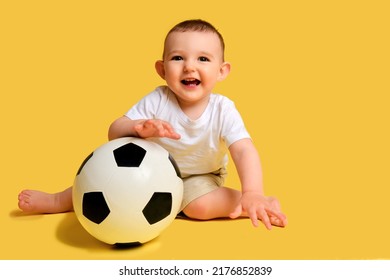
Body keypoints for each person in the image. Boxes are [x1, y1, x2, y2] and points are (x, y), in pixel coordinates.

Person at [18, 19, 287, 230]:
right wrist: (138, 128)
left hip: (200, 176)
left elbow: (243, 150)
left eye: (203, 59)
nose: (189, 67)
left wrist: (254, 190)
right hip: (150, 169)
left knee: (199, 209)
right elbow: (114, 132)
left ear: (221, 71)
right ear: (162, 69)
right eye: (178, 58)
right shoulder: (158, 99)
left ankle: (252, 203)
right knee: (103, 179)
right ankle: (56, 201)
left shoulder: (223, 109)